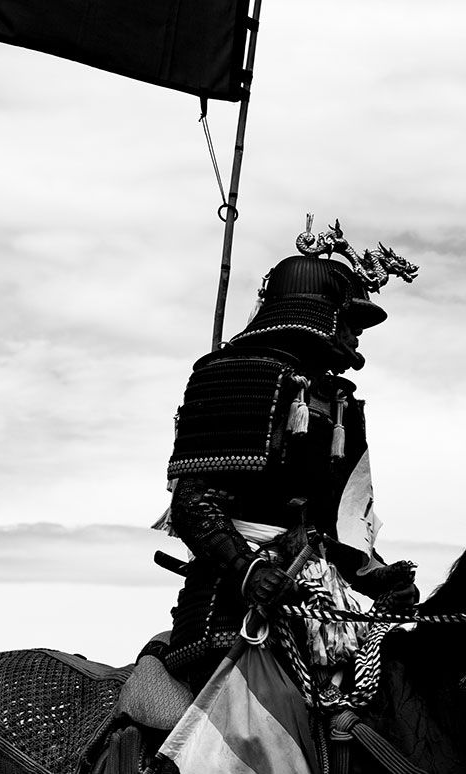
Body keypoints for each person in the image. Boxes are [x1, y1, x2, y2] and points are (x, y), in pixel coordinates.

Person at [155, 220, 419, 691]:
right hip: (231, 610)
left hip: (320, 611)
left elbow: (333, 527)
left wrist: (379, 578)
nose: (357, 336)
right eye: (351, 321)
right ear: (320, 314)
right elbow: (192, 503)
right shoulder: (233, 376)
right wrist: (249, 570)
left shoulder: (340, 403)